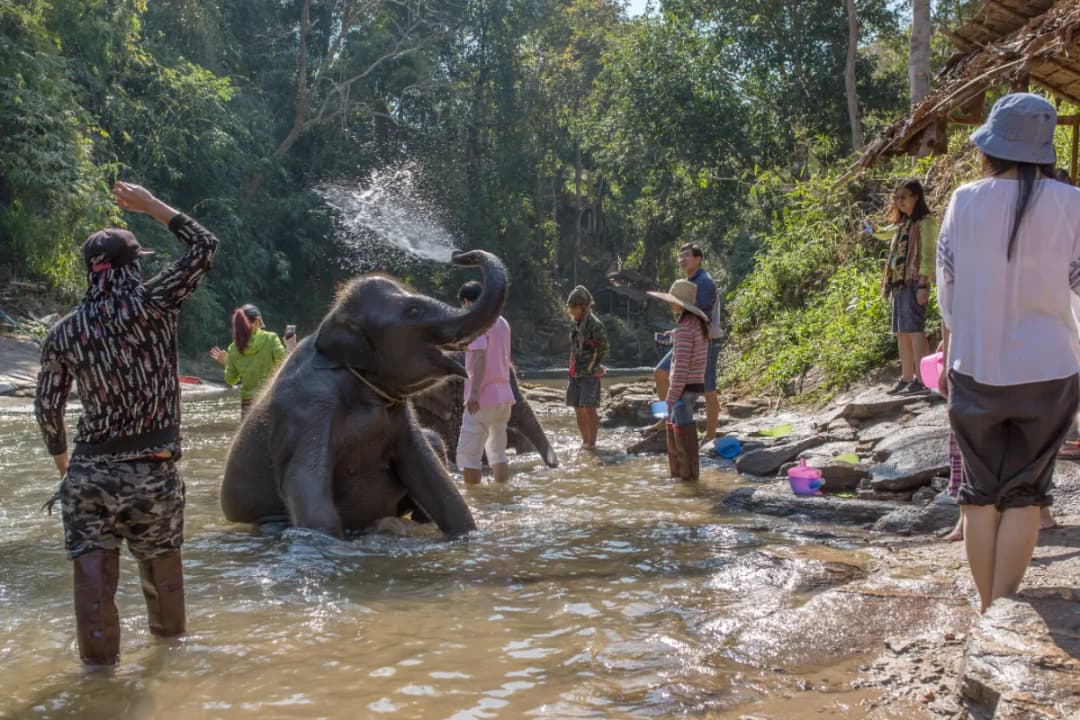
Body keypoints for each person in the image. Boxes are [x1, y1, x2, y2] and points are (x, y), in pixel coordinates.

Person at [34, 182, 220, 666]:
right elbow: (205, 246)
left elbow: (47, 410)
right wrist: (153, 205)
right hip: (152, 472)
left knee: (93, 591)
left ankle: (97, 687)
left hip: (88, 476)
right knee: (165, 586)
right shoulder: (155, 304)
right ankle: (169, 674)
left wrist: (64, 469)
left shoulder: (65, 331)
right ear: (133, 267)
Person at [937, 93, 1080, 613]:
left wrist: (961, 341)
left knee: (979, 494)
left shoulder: (963, 200)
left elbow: (947, 291)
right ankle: (1003, 609)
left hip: (976, 367)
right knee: (1027, 492)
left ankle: (985, 609)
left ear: (991, 147)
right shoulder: (1074, 204)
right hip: (1051, 371)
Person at [654, 243, 723, 445]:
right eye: (680, 256)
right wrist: (677, 331)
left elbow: (701, 318)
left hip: (706, 340)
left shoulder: (705, 283)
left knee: (708, 388)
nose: (682, 259)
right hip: (688, 337)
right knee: (660, 372)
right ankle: (665, 418)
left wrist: (680, 331)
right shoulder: (688, 281)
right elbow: (689, 316)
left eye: (687, 256)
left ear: (699, 259)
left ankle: (710, 434)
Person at [879, 179, 939, 395]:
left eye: (904, 197)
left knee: (915, 331)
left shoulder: (926, 221)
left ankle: (923, 380)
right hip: (899, 283)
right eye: (897, 198)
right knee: (902, 332)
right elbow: (885, 233)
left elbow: (928, 254)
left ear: (916, 197)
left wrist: (924, 283)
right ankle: (906, 378)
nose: (899, 202)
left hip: (915, 282)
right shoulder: (904, 223)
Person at [648, 280, 709, 482]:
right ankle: (685, 478)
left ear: (680, 304)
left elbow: (681, 367)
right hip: (695, 384)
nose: (670, 304)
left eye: (672, 300)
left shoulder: (684, 328)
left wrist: (670, 398)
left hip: (684, 387)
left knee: (681, 431)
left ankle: (686, 481)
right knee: (681, 427)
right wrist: (675, 335)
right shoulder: (695, 324)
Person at [456, 281, 515, 484]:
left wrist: (473, 393)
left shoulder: (477, 323)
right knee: (498, 453)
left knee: (469, 457)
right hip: (503, 398)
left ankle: (475, 503)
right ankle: (502, 494)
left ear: (466, 301)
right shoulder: (502, 322)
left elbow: (480, 357)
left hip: (482, 398)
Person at [209, 305, 296, 417]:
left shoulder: (234, 348)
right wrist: (290, 346)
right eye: (260, 321)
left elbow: (231, 380)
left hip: (248, 404)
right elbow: (287, 364)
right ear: (256, 321)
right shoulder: (271, 338)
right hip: (269, 400)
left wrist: (226, 363)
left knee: (250, 434)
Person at [566, 286, 608, 449]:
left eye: (574, 308)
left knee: (589, 407)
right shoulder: (574, 324)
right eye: (570, 308)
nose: (571, 311)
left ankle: (592, 444)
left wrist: (596, 366)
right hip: (575, 371)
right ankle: (584, 442)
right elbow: (574, 346)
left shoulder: (595, 324)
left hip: (590, 372)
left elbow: (604, 347)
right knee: (577, 407)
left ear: (583, 308)